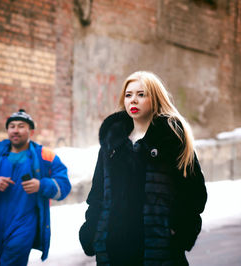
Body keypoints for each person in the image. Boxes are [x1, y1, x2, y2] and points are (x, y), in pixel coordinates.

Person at [79, 71, 207, 265]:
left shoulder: (172, 140)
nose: (134, 100)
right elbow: (97, 195)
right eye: (128, 95)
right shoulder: (112, 143)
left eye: (141, 94)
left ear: (155, 98)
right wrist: (93, 231)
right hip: (114, 249)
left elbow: (194, 195)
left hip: (158, 249)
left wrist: (179, 233)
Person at [0, 109, 71, 265]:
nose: (15, 130)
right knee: (1, 260)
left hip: (25, 224)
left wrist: (41, 185)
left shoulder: (46, 156)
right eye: (12, 126)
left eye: (21, 126)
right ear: (7, 130)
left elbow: (64, 186)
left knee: (12, 260)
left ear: (31, 131)